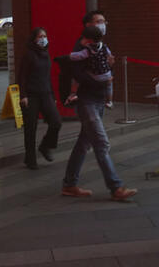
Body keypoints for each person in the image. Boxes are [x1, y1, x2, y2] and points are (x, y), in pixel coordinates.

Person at [61, 11, 136, 201]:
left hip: (98, 99)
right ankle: (116, 187)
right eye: (98, 22)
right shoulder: (82, 46)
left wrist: (109, 69)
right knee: (101, 143)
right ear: (88, 25)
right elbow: (77, 74)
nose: (102, 25)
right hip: (87, 101)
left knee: (83, 143)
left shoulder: (101, 45)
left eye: (104, 21)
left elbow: (105, 67)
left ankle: (69, 184)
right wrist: (101, 82)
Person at [18, 27, 62, 170]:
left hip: (46, 93)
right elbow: (22, 76)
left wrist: (53, 96)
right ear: (34, 39)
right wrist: (23, 96)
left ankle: (45, 146)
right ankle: (30, 159)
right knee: (31, 128)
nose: (43, 39)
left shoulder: (45, 54)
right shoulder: (29, 55)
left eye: (45, 36)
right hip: (31, 95)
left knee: (56, 122)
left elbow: (47, 77)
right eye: (40, 36)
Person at [63, 26, 113, 107]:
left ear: (89, 40)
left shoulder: (88, 50)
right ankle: (110, 101)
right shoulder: (104, 47)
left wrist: (68, 56)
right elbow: (110, 56)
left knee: (77, 77)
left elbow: (78, 56)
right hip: (107, 74)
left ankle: (73, 94)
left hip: (95, 75)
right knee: (109, 85)